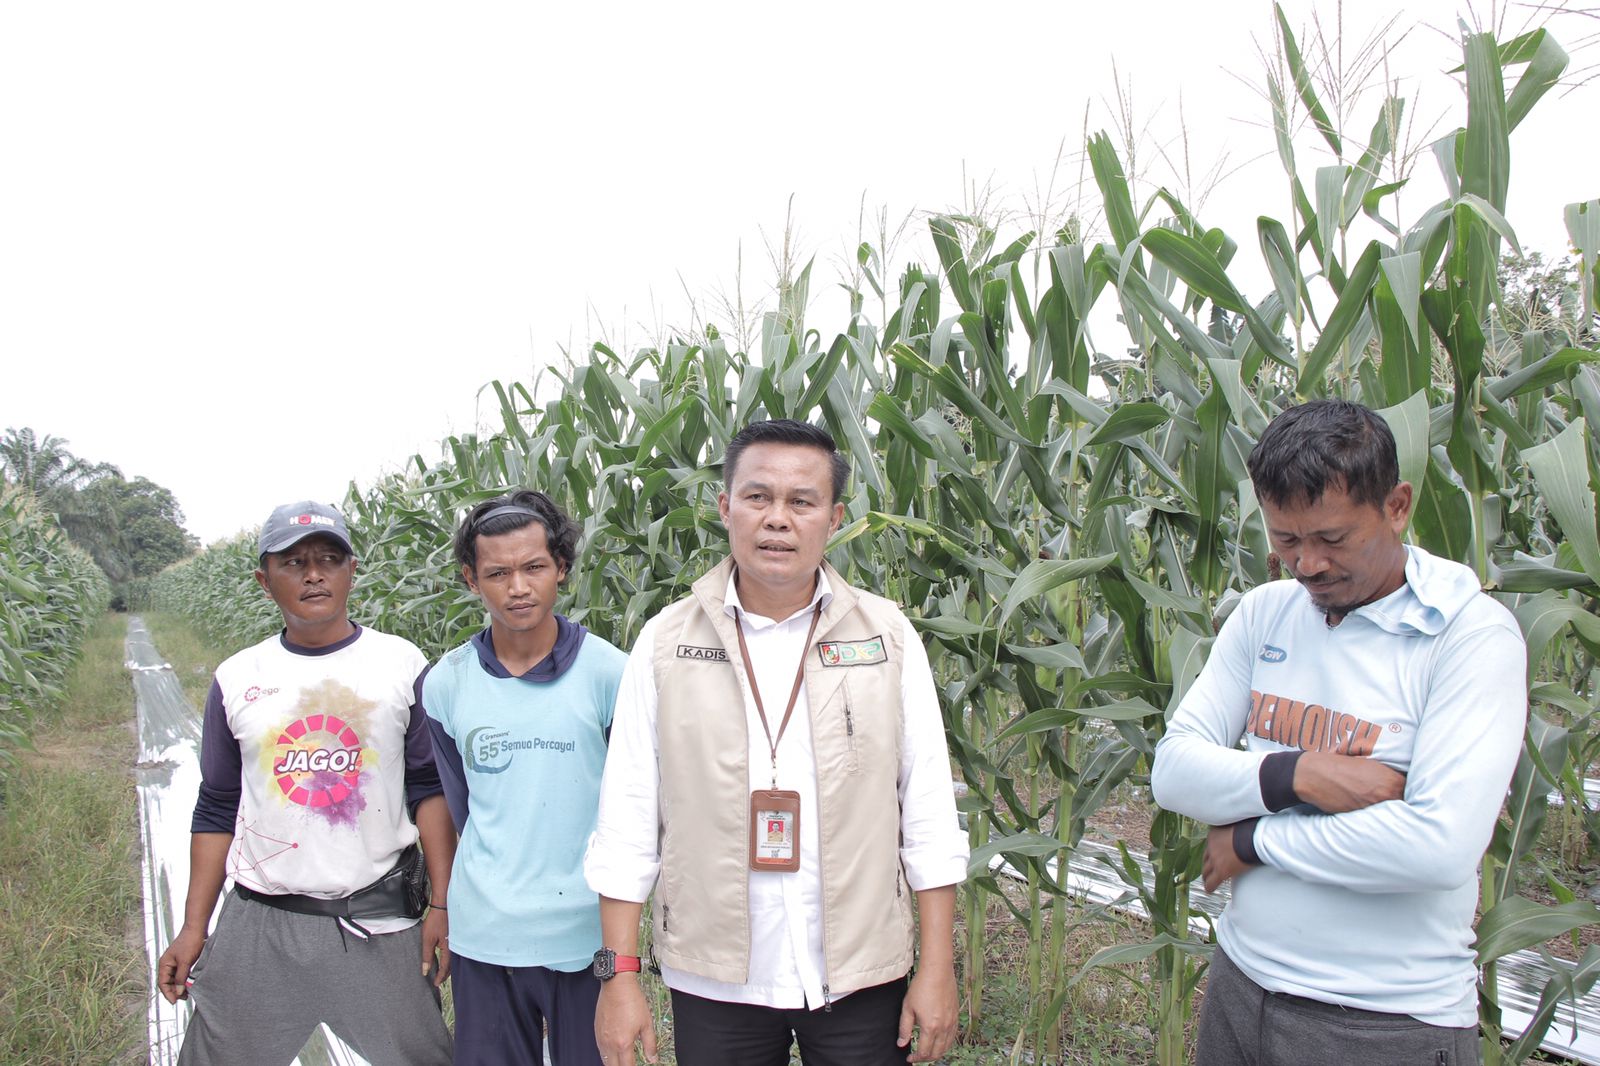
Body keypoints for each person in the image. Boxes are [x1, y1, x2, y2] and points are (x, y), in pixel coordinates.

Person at [1150, 400, 1528, 1066]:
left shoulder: (1468, 637)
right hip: (1240, 987)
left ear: (1398, 506)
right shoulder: (1265, 615)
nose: (1307, 565)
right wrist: (1297, 774)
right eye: (1286, 540)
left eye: (1331, 538)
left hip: (1383, 1022)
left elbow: (1436, 849)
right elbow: (1175, 771)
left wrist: (1254, 838)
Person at [584, 419, 970, 1066]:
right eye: (758, 497)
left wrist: (937, 967)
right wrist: (619, 976)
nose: (778, 520)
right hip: (714, 978)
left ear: (834, 516)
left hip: (860, 974)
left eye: (802, 501)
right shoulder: (665, 644)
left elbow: (928, 816)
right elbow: (625, 823)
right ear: (725, 507)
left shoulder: (888, 640)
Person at [156, 500, 454, 1065]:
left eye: (328, 558)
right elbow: (217, 806)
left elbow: (428, 790)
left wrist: (442, 904)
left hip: (377, 920)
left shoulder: (400, 664)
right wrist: (194, 927)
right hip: (261, 922)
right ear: (263, 580)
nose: (313, 573)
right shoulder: (238, 678)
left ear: (352, 570)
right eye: (293, 562)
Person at [421, 491, 626, 1066]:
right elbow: (462, 807)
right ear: (470, 579)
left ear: (561, 568)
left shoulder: (611, 674)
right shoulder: (446, 684)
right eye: (498, 573)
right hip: (485, 933)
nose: (518, 587)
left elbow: (631, 809)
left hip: (586, 935)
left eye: (534, 567)